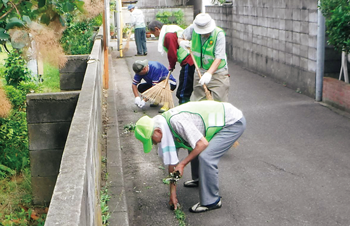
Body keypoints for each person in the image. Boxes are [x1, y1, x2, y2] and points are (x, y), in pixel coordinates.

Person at [134, 101, 246, 213]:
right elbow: (172, 163)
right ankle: (200, 179)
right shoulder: (164, 128)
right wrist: (172, 195)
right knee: (192, 145)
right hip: (224, 120)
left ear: (157, 131)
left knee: (206, 157)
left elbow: (202, 144)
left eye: (152, 140)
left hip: (232, 122)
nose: (154, 144)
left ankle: (212, 201)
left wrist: (182, 164)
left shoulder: (175, 122)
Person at [179, 13, 230, 102]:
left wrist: (209, 73)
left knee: (220, 102)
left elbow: (219, 58)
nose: (204, 34)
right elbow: (180, 37)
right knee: (200, 102)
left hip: (218, 73)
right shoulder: (192, 29)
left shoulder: (219, 34)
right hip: (199, 71)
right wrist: (182, 42)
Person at [148, 20, 195, 105]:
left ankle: (184, 109)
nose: (155, 36)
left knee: (183, 91)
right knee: (186, 87)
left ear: (157, 29)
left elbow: (172, 53)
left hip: (189, 60)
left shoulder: (168, 35)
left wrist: (171, 65)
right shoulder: (170, 29)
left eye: (154, 33)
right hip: (190, 58)